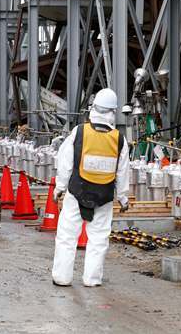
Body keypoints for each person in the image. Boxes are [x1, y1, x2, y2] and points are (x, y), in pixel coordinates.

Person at [51, 88, 130, 287]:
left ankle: (62, 277)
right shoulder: (119, 139)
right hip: (103, 197)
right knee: (98, 239)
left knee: (67, 235)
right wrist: (123, 198)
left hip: (77, 191)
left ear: (93, 108)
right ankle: (92, 279)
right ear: (113, 111)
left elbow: (65, 162)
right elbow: (122, 172)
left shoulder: (79, 131)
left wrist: (59, 188)